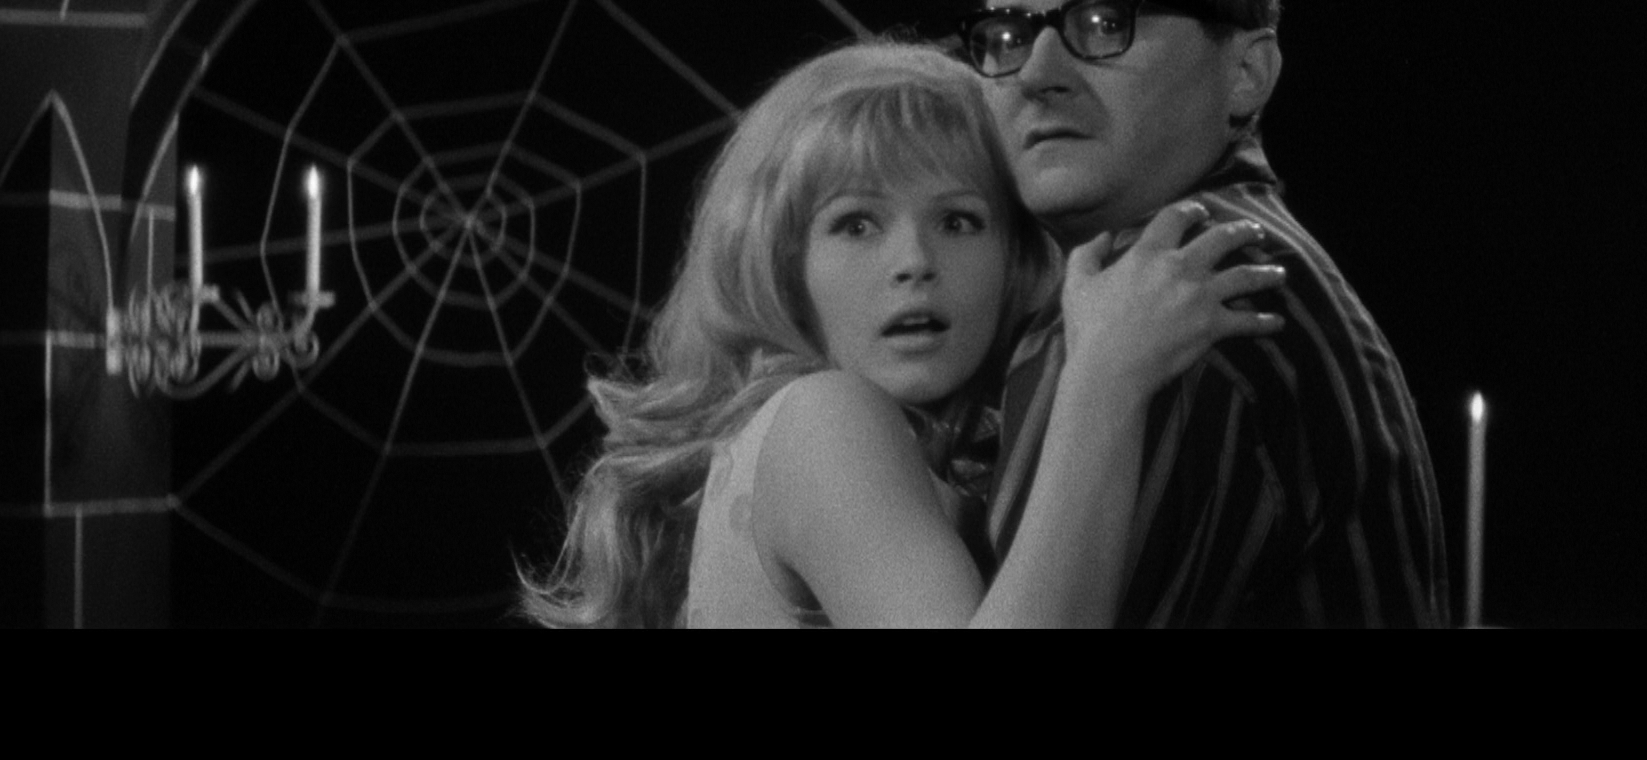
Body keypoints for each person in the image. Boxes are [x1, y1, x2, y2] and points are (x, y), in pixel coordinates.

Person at [519, 40, 1286, 627]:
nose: (915, 262)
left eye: (959, 221)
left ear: (1016, 256)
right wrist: (1107, 378)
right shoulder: (821, 420)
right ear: (781, 265)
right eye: (856, 224)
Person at [962, 0, 1450, 627]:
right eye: (1009, 36)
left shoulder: (1175, 295)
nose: (1038, 74)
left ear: (1247, 73)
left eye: (1106, 20)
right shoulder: (1221, 264)